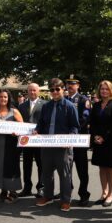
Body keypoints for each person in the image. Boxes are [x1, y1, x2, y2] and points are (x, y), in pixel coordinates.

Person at [35, 78, 80, 212]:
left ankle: (66, 200)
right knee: (47, 173)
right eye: (52, 90)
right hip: (47, 146)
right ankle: (48, 197)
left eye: (57, 89)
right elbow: (41, 124)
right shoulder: (46, 106)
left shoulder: (70, 106)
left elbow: (75, 127)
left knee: (65, 175)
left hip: (63, 148)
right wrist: (37, 131)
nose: (54, 92)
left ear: (63, 90)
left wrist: (69, 140)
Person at [90, 80, 112, 207]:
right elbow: (93, 123)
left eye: (106, 89)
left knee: (110, 168)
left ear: (111, 90)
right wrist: (95, 136)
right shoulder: (96, 105)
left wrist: (104, 138)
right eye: (102, 89)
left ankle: (111, 194)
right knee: (102, 167)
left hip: (111, 141)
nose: (104, 91)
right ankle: (104, 192)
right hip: (98, 141)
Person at [65, 75, 91, 206]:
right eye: (68, 84)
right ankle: (67, 191)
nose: (70, 86)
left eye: (73, 84)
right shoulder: (63, 99)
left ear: (78, 86)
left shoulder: (83, 100)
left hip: (79, 140)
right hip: (65, 140)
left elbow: (84, 118)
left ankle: (84, 194)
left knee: (82, 170)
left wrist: (71, 130)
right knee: (66, 169)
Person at [18, 83, 46, 198]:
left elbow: (46, 122)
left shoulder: (45, 105)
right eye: (30, 90)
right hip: (26, 141)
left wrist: (40, 131)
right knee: (26, 165)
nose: (32, 92)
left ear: (38, 91)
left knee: (41, 164)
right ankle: (27, 187)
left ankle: (41, 187)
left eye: (34, 90)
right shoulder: (22, 106)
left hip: (39, 140)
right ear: (27, 92)